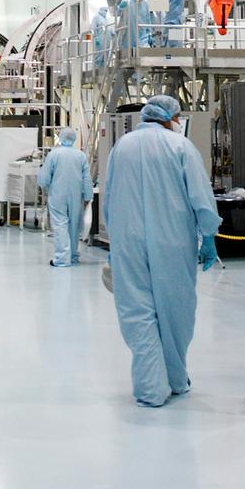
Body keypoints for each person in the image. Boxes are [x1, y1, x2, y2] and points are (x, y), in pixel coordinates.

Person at [104, 94, 220, 407]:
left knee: (137, 311)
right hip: (173, 241)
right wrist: (208, 234)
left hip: (128, 239)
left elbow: (110, 194)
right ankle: (175, 377)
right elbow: (200, 194)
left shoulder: (122, 146)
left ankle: (151, 386)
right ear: (171, 117)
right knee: (176, 310)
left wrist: (113, 240)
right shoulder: (180, 146)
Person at [37, 127, 93, 267]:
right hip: (76, 196)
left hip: (58, 195)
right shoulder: (81, 156)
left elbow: (44, 178)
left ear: (61, 137)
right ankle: (73, 255)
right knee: (74, 225)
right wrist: (88, 196)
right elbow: (87, 179)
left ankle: (62, 258)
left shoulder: (54, 155)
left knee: (60, 224)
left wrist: (44, 186)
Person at [90, 6, 111, 70]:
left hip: (107, 41)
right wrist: (95, 38)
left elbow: (108, 29)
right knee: (98, 57)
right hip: (100, 41)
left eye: (106, 11)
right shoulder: (96, 17)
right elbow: (92, 29)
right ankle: (95, 71)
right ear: (101, 10)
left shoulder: (105, 19)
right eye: (105, 10)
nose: (106, 12)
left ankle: (103, 71)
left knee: (105, 57)